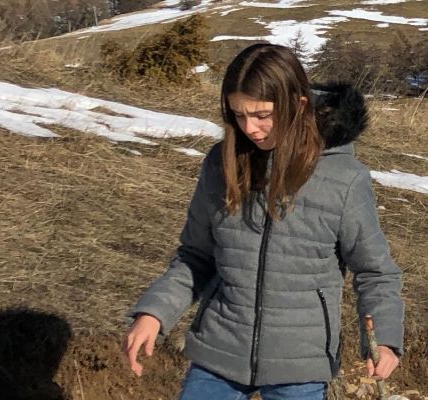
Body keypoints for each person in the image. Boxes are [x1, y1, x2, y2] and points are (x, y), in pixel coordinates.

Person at [121, 44, 405, 399]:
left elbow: (375, 271)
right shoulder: (221, 163)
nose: (250, 128)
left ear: (298, 104)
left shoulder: (344, 179)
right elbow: (196, 256)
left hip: (301, 361)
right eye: (238, 115)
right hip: (219, 349)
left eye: (262, 115)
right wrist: (154, 313)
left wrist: (386, 340)